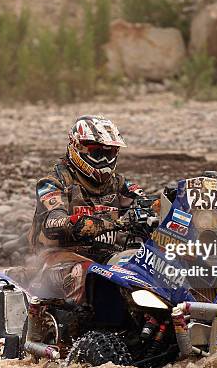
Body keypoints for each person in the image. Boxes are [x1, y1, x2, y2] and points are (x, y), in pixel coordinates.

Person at [27, 115, 145, 302]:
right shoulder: (53, 183)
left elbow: (144, 202)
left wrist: (160, 210)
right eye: (97, 152)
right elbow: (54, 223)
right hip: (56, 259)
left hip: (106, 256)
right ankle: (75, 328)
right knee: (83, 272)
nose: (105, 159)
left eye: (111, 153)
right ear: (77, 147)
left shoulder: (119, 183)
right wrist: (111, 222)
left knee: (144, 267)